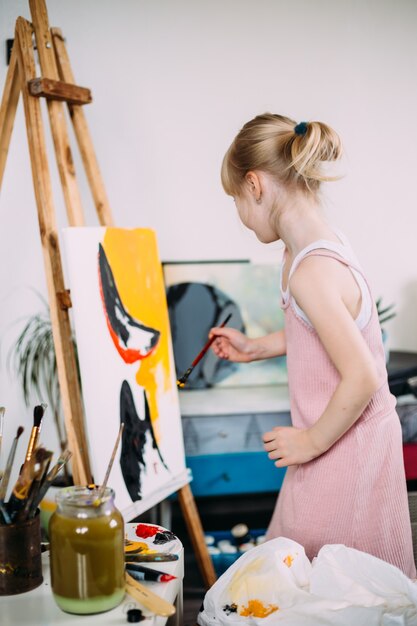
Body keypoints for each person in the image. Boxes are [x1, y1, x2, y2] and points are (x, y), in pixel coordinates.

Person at [209, 113, 416, 578]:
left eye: (235, 201)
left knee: (325, 577)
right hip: (333, 435)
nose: (240, 216)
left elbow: (363, 376)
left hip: (346, 444)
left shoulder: (312, 270)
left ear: (255, 185)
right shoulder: (306, 251)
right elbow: (321, 333)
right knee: (297, 566)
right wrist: (256, 347)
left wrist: (308, 441)